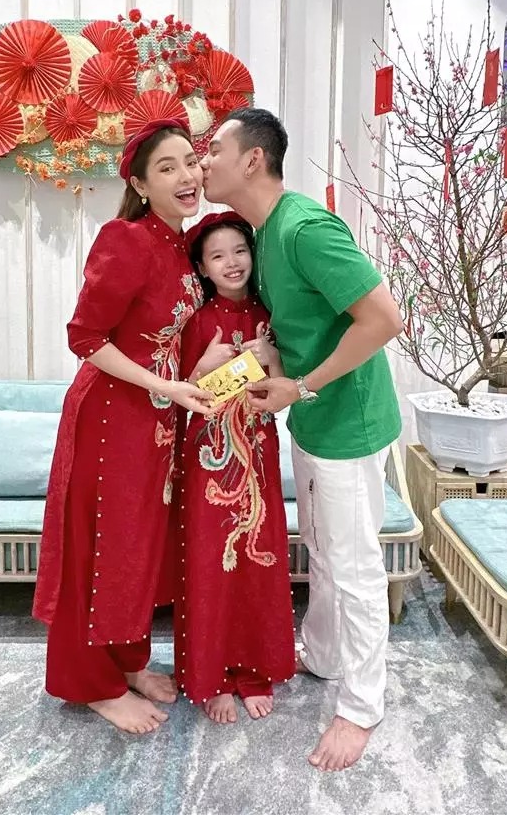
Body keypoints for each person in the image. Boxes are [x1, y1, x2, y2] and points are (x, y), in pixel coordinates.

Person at [201, 107, 404, 772]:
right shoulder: (265, 236)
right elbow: (302, 329)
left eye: (214, 150)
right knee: (321, 549)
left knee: (354, 566)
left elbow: (384, 319)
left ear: (251, 160)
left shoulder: (306, 228)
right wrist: (266, 361)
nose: (204, 162)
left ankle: (362, 707)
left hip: (347, 423)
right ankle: (323, 655)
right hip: (314, 421)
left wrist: (303, 386)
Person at [33, 95, 214, 736]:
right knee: (99, 546)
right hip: (109, 419)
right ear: (138, 185)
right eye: (166, 168)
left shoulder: (186, 246)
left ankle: (129, 662)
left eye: (190, 161)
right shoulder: (126, 239)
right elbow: (84, 336)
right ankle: (93, 685)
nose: (186, 176)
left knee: (137, 544)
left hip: (157, 421)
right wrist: (162, 384)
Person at [173, 212, 296, 724]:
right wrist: (205, 366)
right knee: (210, 564)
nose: (231, 262)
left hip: (258, 456)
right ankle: (214, 676)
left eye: (239, 251)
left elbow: (282, 392)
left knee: (258, 558)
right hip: (208, 461)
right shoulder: (195, 321)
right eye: (218, 255)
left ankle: (254, 671)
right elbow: (179, 397)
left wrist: (271, 356)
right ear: (202, 267)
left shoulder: (270, 316)